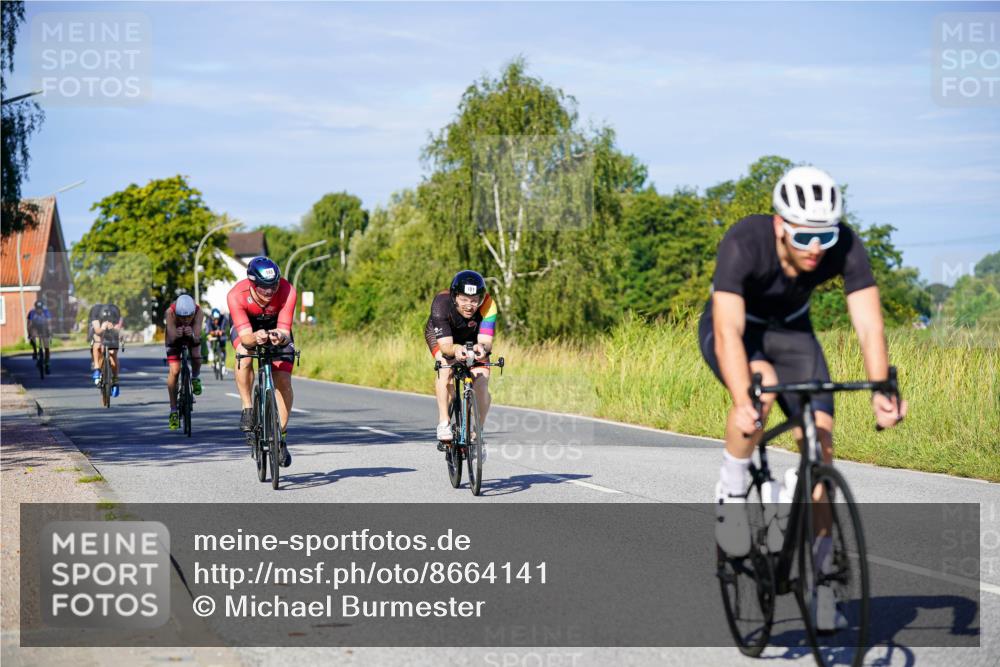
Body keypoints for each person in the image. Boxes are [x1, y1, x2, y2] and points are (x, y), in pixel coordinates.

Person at [699, 166, 907, 630]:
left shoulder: (846, 247)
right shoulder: (744, 241)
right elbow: (729, 330)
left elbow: (869, 324)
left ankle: (822, 582)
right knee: (759, 389)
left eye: (826, 238)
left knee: (822, 447)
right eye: (804, 237)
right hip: (735, 332)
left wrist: (881, 387)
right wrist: (742, 399)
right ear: (779, 226)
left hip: (793, 334)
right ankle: (732, 488)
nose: (816, 249)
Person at [227, 257, 297, 467]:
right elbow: (246, 337)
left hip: (276, 327)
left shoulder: (287, 291)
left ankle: (281, 437)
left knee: (283, 379)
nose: (269, 291)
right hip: (247, 328)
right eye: (264, 287)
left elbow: (285, 331)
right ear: (252, 283)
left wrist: (280, 337)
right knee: (244, 354)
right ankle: (248, 407)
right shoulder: (235, 295)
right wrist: (255, 338)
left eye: (273, 285)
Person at [424, 270, 498, 449]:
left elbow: (486, 341)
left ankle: (477, 431)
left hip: (472, 339)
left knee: (481, 382)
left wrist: (482, 349)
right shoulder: (441, 304)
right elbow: (446, 347)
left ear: (481, 299)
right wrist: (456, 350)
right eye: (464, 299)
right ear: (454, 296)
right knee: (445, 367)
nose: (469, 306)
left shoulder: (489, 304)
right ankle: (443, 422)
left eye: (474, 300)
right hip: (443, 338)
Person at [165, 294, 204, 430]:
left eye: (189, 317)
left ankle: (195, 377)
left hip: (192, 337)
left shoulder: (199, 312)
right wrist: (177, 333)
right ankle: (173, 411)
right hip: (174, 339)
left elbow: (198, 337)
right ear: (176, 313)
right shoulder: (170, 313)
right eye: (182, 317)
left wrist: (192, 334)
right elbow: (171, 336)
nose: (186, 320)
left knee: (196, 356)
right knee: (175, 370)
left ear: (193, 312)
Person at [89, 302, 123, 396]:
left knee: (113, 353)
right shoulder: (95, 313)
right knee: (97, 343)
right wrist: (103, 328)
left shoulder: (115, 313)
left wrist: (113, 330)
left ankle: (115, 379)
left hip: (112, 332)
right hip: (99, 331)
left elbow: (117, 332)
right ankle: (97, 368)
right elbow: (97, 331)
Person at [27, 300, 53, 372]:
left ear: (42, 308)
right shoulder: (32, 312)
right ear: (35, 308)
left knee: (46, 346)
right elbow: (29, 324)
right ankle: (35, 351)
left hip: (44, 327)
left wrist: (50, 333)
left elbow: (49, 323)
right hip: (35, 327)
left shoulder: (46, 312)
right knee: (33, 335)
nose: (39, 310)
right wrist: (29, 334)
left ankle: (47, 363)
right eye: (37, 308)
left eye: (40, 308)